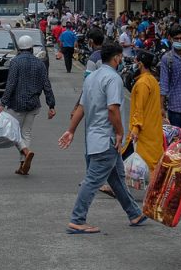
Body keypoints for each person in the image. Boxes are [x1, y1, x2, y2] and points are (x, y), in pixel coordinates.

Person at [59, 43, 147, 233]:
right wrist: (120, 132)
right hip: (106, 138)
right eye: (120, 57)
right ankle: (77, 219)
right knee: (93, 180)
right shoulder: (113, 78)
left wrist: (71, 130)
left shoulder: (92, 78)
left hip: (94, 138)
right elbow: (113, 108)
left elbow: (81, 107)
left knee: (116, 178)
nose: (121, 60)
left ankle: (134, 213)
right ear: (116, 58)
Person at [0, 35, 56, 176]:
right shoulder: (40, 63)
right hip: (33, 104)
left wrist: (2, 103)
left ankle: (26, 152)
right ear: (31, 48)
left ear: (19, 47)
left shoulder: (15, 62)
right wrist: (51, 105)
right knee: (26, 133)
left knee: (14, 132)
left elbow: (10, 84)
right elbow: (46, 85)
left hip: (16, 104)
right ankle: (23, 164)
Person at [124, 51, 164, 170]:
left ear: (140, 64)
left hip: (143, 131)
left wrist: (136, 127)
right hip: (153, 129)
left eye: (136, 62)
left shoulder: (142, 83)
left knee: (140, 161)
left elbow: (139, 108)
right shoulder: (152, 81)